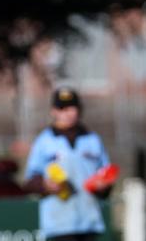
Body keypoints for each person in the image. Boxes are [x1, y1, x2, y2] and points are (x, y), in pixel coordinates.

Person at [23, 87, 113, 241]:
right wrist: (46, 185)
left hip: (89, 220)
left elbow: (105, 174)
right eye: (62, 108)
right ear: (54, 111)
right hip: (59, 222)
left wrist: (103, 185)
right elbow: (30, 180)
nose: (68, 113)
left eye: (72, 108)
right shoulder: (44, 141)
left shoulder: (92, 140)